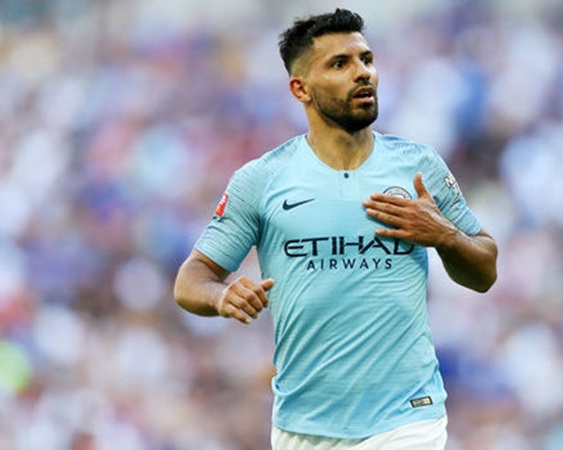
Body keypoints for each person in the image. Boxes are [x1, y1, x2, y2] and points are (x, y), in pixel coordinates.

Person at [174, 8, 497, 450]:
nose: (362, 72)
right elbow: (191, 280)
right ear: (301, 88)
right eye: (340, 64)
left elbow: (485, 272)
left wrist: (446, 236)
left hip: (408, 418)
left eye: (366, 59)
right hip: (304, 424)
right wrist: (221, 296)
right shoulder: (263, 178)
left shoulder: (418, 166)